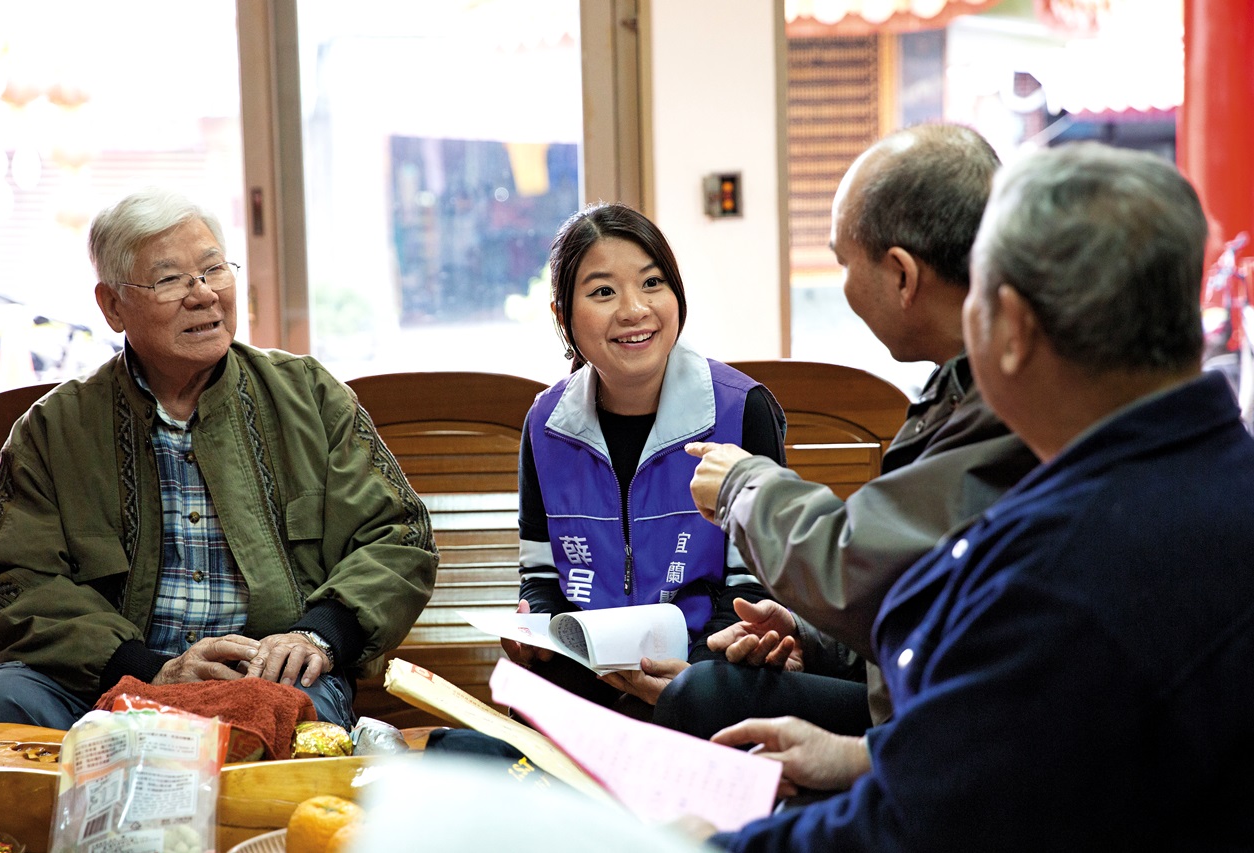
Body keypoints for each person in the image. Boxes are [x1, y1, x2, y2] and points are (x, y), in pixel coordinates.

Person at [702, 142, 1254, 850]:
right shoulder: (1212, 474)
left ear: (1014, 328)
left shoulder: (1061, 575)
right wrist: (865, 756)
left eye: (978, 302)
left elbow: (915, 826)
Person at [0, 188, 438, 731]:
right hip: (105, 683)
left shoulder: (308, 395)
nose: (203, 295)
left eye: (214, 269)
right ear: (112, 306)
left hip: (269, 674)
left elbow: (398, 535)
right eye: (171, 279)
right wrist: (147, 670)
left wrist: (317, 635)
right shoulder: (56, 428)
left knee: (279, 723)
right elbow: (12, 581)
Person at [655, 123, 1037, 752]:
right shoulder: (963, 376)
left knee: (705, 700)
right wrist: (815, 637)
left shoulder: (1008, 394)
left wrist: (742, 485)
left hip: (956, 728)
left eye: (841, 260)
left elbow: (864, 567)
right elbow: (917, 575)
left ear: (903, 276)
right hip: (922, 695)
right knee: (709, 692)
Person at [504, 201, 792, 713]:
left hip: (711, 674)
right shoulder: (545, 425)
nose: (634, 309)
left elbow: (754, 584)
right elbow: (544, 576)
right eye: (602, 292)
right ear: (562, 314)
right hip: (589, 675)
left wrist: (694, 677)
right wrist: (538, 637)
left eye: (652, 283)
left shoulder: (740, 410)